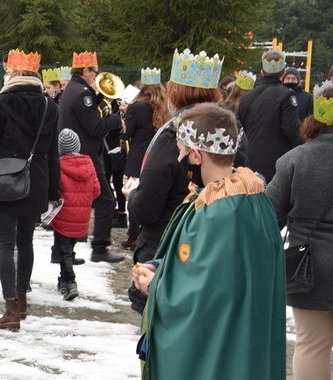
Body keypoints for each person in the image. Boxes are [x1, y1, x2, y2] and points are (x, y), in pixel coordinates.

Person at [133, 104, 285, 380]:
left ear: (197, 154)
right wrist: (163, 266)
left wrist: (153, 285)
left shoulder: (217, 212)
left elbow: (203, 295)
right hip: (247, 343)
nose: (181, 160)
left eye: (182, 153)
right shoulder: (255, 199)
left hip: (217, 355)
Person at [125, 48, 223, 314]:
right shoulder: (231, 131)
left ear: (175, 93)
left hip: (166, 252)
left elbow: (146, 208)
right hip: (215, 251)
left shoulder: (175, 134)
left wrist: (132, 195)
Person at [0, 49, 60, 331]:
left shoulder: (3, 101)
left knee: (5, 244)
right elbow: (54, 151)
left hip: (5, 181)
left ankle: (10, 309)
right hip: (37, 182)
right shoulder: (49, 105)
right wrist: (54, 190)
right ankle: (21, 299)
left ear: (18, 73)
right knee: (26, 242)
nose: (6, 74)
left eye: (9, 70)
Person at [266, 81, 333, 380]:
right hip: (313, 271)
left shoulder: (295, 159)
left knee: (312, 345)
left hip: (309, 271)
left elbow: (268, 215)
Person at [58, 51, 124, 263]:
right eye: (94, 72)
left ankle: (61, 253)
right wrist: (116, 120)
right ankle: (100, 248)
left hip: (75, 154)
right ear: (85, 70)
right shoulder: (82, 94)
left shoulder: (74, 89)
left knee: (70, 203)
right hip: (85, 158)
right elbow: (95, 127)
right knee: (106, 201)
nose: (96, 77)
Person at [118, 68, 169, 248]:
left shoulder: (137, 107)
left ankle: (133, 235)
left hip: (138, 156)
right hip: (157, 155)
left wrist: (124, 114)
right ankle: (144, 233)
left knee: (133, 195)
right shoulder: (166, 107)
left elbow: (124, 134)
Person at [237, 50, 302, 183]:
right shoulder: (287, 96)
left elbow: (239, 127)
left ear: (262, 72)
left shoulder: (246, 98)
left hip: (248, 163)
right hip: (277, 164)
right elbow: (291, 129)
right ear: (283, 73)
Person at [51, 128, 99, 301]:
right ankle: (63, 280)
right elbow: (96, 190)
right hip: (82, 216)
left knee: (64, 251)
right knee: (69, 249)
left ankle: (70, 282)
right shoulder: (89, 164)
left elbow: (54, 190)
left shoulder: (58, 165)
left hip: (63, 215)